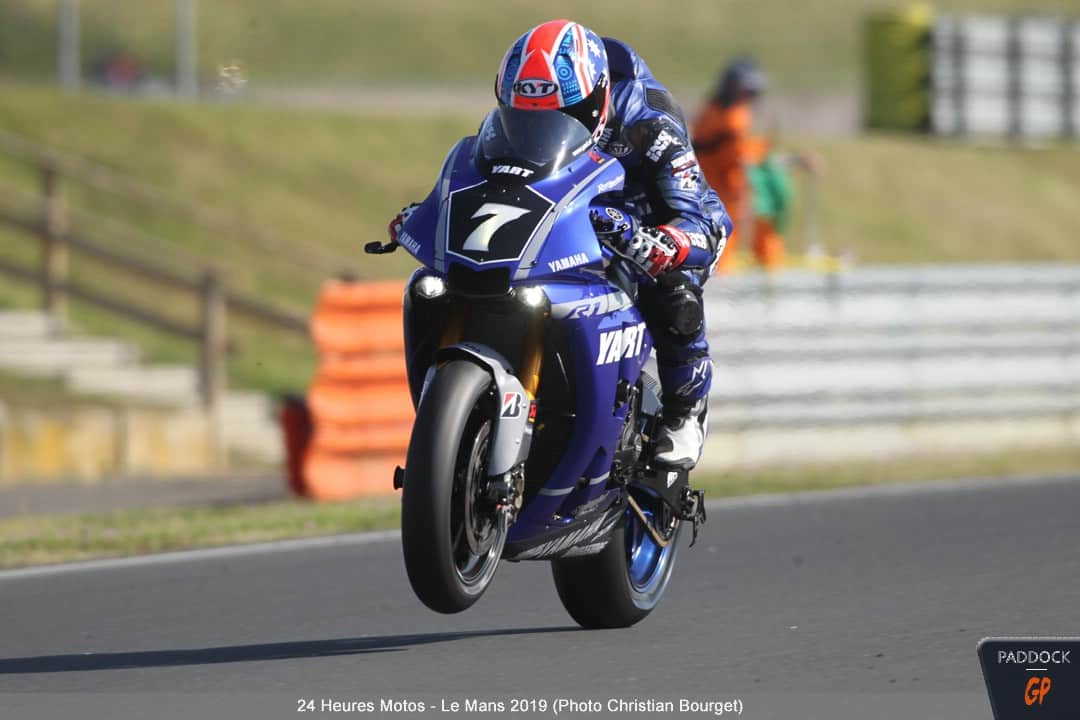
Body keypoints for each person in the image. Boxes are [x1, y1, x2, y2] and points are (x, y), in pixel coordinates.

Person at [389, 19, 731, 469]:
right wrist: (433, 213)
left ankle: (686, 410)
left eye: (558, 118)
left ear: (596, 101)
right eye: (524, 117)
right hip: (570, 215)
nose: (537, 129)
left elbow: (698, 213)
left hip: (653, 218)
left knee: (671, 287)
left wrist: (670, 240)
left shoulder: (650, 120)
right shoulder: (506, 125)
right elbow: (491, 181)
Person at [692, 56, 820, 272]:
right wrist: (794, 160)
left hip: (721, 189)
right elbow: (744, 156)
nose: (750, 97)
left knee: (749, 234)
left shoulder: (715, 110)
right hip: (720, 192)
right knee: (726, 244)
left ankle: (764, 271)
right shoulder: (732, 118)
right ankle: (761, 277)